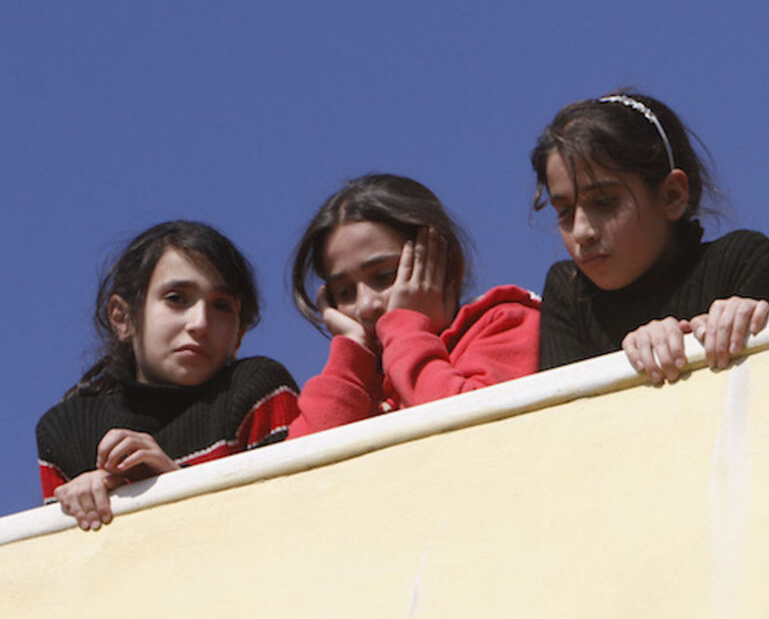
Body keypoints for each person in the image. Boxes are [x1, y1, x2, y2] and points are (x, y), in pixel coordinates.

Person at [36, 221, 299, 531]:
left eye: (221, 306)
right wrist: (88, 503)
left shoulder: (258, 390)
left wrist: (173, 482)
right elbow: (66, 552)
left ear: (238, 335)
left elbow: (293, 515)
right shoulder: (66, 431)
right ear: (122, 318)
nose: (200, 323)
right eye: (176, 298)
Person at [532, 92, 769, 383]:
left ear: (672, 196)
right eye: (564, 212)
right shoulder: (568, 293)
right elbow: (568, 405)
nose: (581, 232)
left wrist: (732, 327)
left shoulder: (744, 262)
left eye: (604, 202)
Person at [287, 174, 540, 438]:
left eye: (384, 276)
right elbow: (300, 458)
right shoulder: (358, 384)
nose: (366, 305)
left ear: (443, 262)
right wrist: (349, 358)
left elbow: (477, 432)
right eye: (345, 292)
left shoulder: (505, 323)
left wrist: (405, 330)